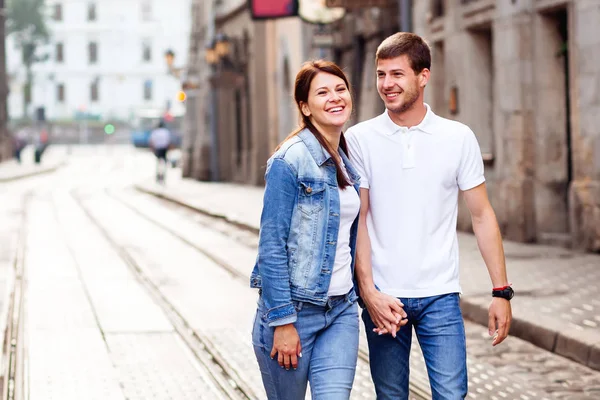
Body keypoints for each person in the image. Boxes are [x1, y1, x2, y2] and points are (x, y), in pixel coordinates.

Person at [345, 32, 513, 399]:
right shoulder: (359, 139)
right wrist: (369, 292)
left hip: (441, 294)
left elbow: (483, 216)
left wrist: (501, 291)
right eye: (380, 74)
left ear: (424, 76)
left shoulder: (458, 137)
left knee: (453, 395)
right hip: (385, 298)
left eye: (397, 74)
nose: (386, 84)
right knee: (391, 397)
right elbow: (360, 223)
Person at [250, 60, 362, 399]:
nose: (335, 98)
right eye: (322, 92)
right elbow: (271, 246)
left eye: (340, 89)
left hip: (341, 310)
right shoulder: (289, 160)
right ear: (305, 106)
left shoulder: (349, 156)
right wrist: (282, 321)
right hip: (294, 314)